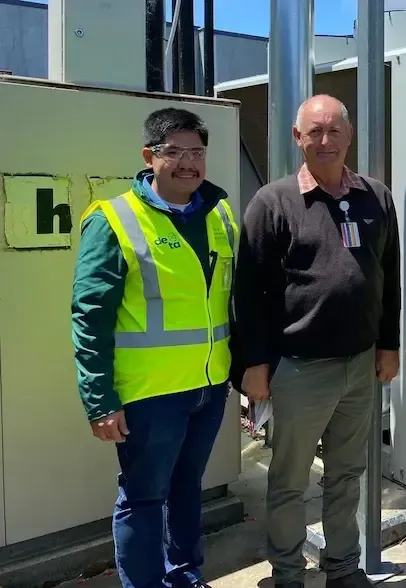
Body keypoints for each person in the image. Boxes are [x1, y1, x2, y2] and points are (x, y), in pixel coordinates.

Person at [233, 94, 400, 588]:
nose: (325, 141)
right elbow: (249, 290)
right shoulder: (274, 201)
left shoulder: (376, 196)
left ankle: (343, 568)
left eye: (334, 131)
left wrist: (389, 345)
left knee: (346, 475)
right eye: (314, 132)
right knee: (289, 480)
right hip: (299, 369)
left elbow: (386, 277)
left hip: (361, 364)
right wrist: (255, 364)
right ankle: (287, 573)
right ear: (297, 137)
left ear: (349, 135)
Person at [71, 108, 237, 588]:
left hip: (208, 388)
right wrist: (100, 400)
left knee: (187, 489)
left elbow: (231, 300)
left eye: (197, 152)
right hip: (150, 394)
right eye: (175, 152)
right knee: (144, 497)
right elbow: (89, 316)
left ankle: (185, 576)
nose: (188, 163)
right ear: (150, 156)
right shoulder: (114, 219)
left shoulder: (220, 214)